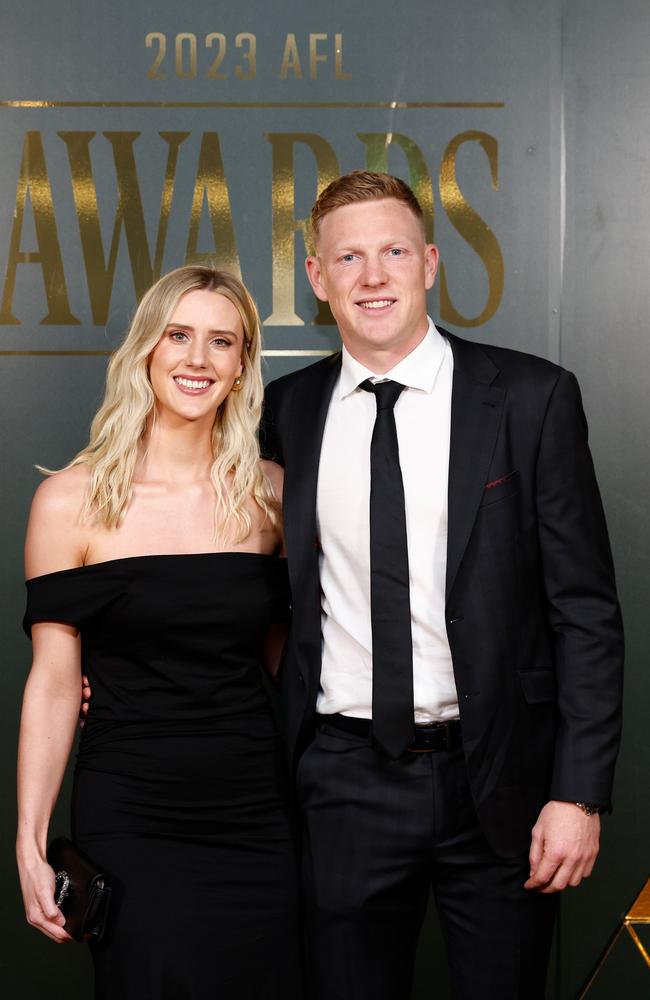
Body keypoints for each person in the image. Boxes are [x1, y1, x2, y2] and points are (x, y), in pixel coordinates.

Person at [261, 171, 624, 999]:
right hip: (343, 779)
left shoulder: (531, 398)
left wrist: (578, 792)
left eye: (392, 251)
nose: (373, 275)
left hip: (502, 783)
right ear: (318, 281)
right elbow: (240, 582)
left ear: (429, 263)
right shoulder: (285, 412)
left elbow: (586, 615)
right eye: (347, 257)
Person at [16, 266, 303, 999]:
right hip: (132, 812)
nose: (197, 359)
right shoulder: (69, 502)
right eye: (178, 335)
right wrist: (29, 839)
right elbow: (53, 681)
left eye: (221, 341)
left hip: (255, 811)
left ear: (242, 367)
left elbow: (293, 661)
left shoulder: (271, 495)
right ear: (146, 349)